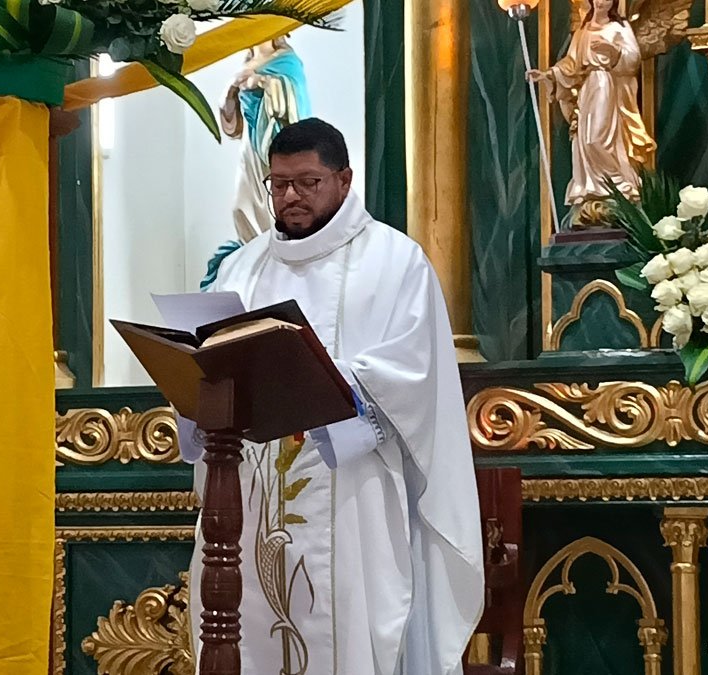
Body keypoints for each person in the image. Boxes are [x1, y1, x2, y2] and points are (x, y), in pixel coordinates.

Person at [177, 118, 484, 675]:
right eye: (278, 183)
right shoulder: (241, 266)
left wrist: (320, 378)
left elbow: (413, 376)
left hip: (350, 495)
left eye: (307, 182)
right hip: (246, 491)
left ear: (344, 180)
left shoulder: (395, 261)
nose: (290, 196)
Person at [527, 0, 653, 207]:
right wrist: (547, 74)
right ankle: (591, 187)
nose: (601, 1)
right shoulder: (582, 31)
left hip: (608, 86)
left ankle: (620, 184)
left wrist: (614, 52)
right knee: (584, 140)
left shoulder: (619, 28)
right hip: (587, 88)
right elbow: (571, 64)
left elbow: (633, 60)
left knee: (597, 138)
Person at [220, 36, 310, 243]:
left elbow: (294, 103)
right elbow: (232, 118)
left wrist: (263, 82)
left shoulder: (287, 61)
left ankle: (276, 248)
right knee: (241, 205)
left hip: (276, 143)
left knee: (274, 203)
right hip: (250, 145)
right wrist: (231, 90)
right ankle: (251, 252)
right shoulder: (246, 65)